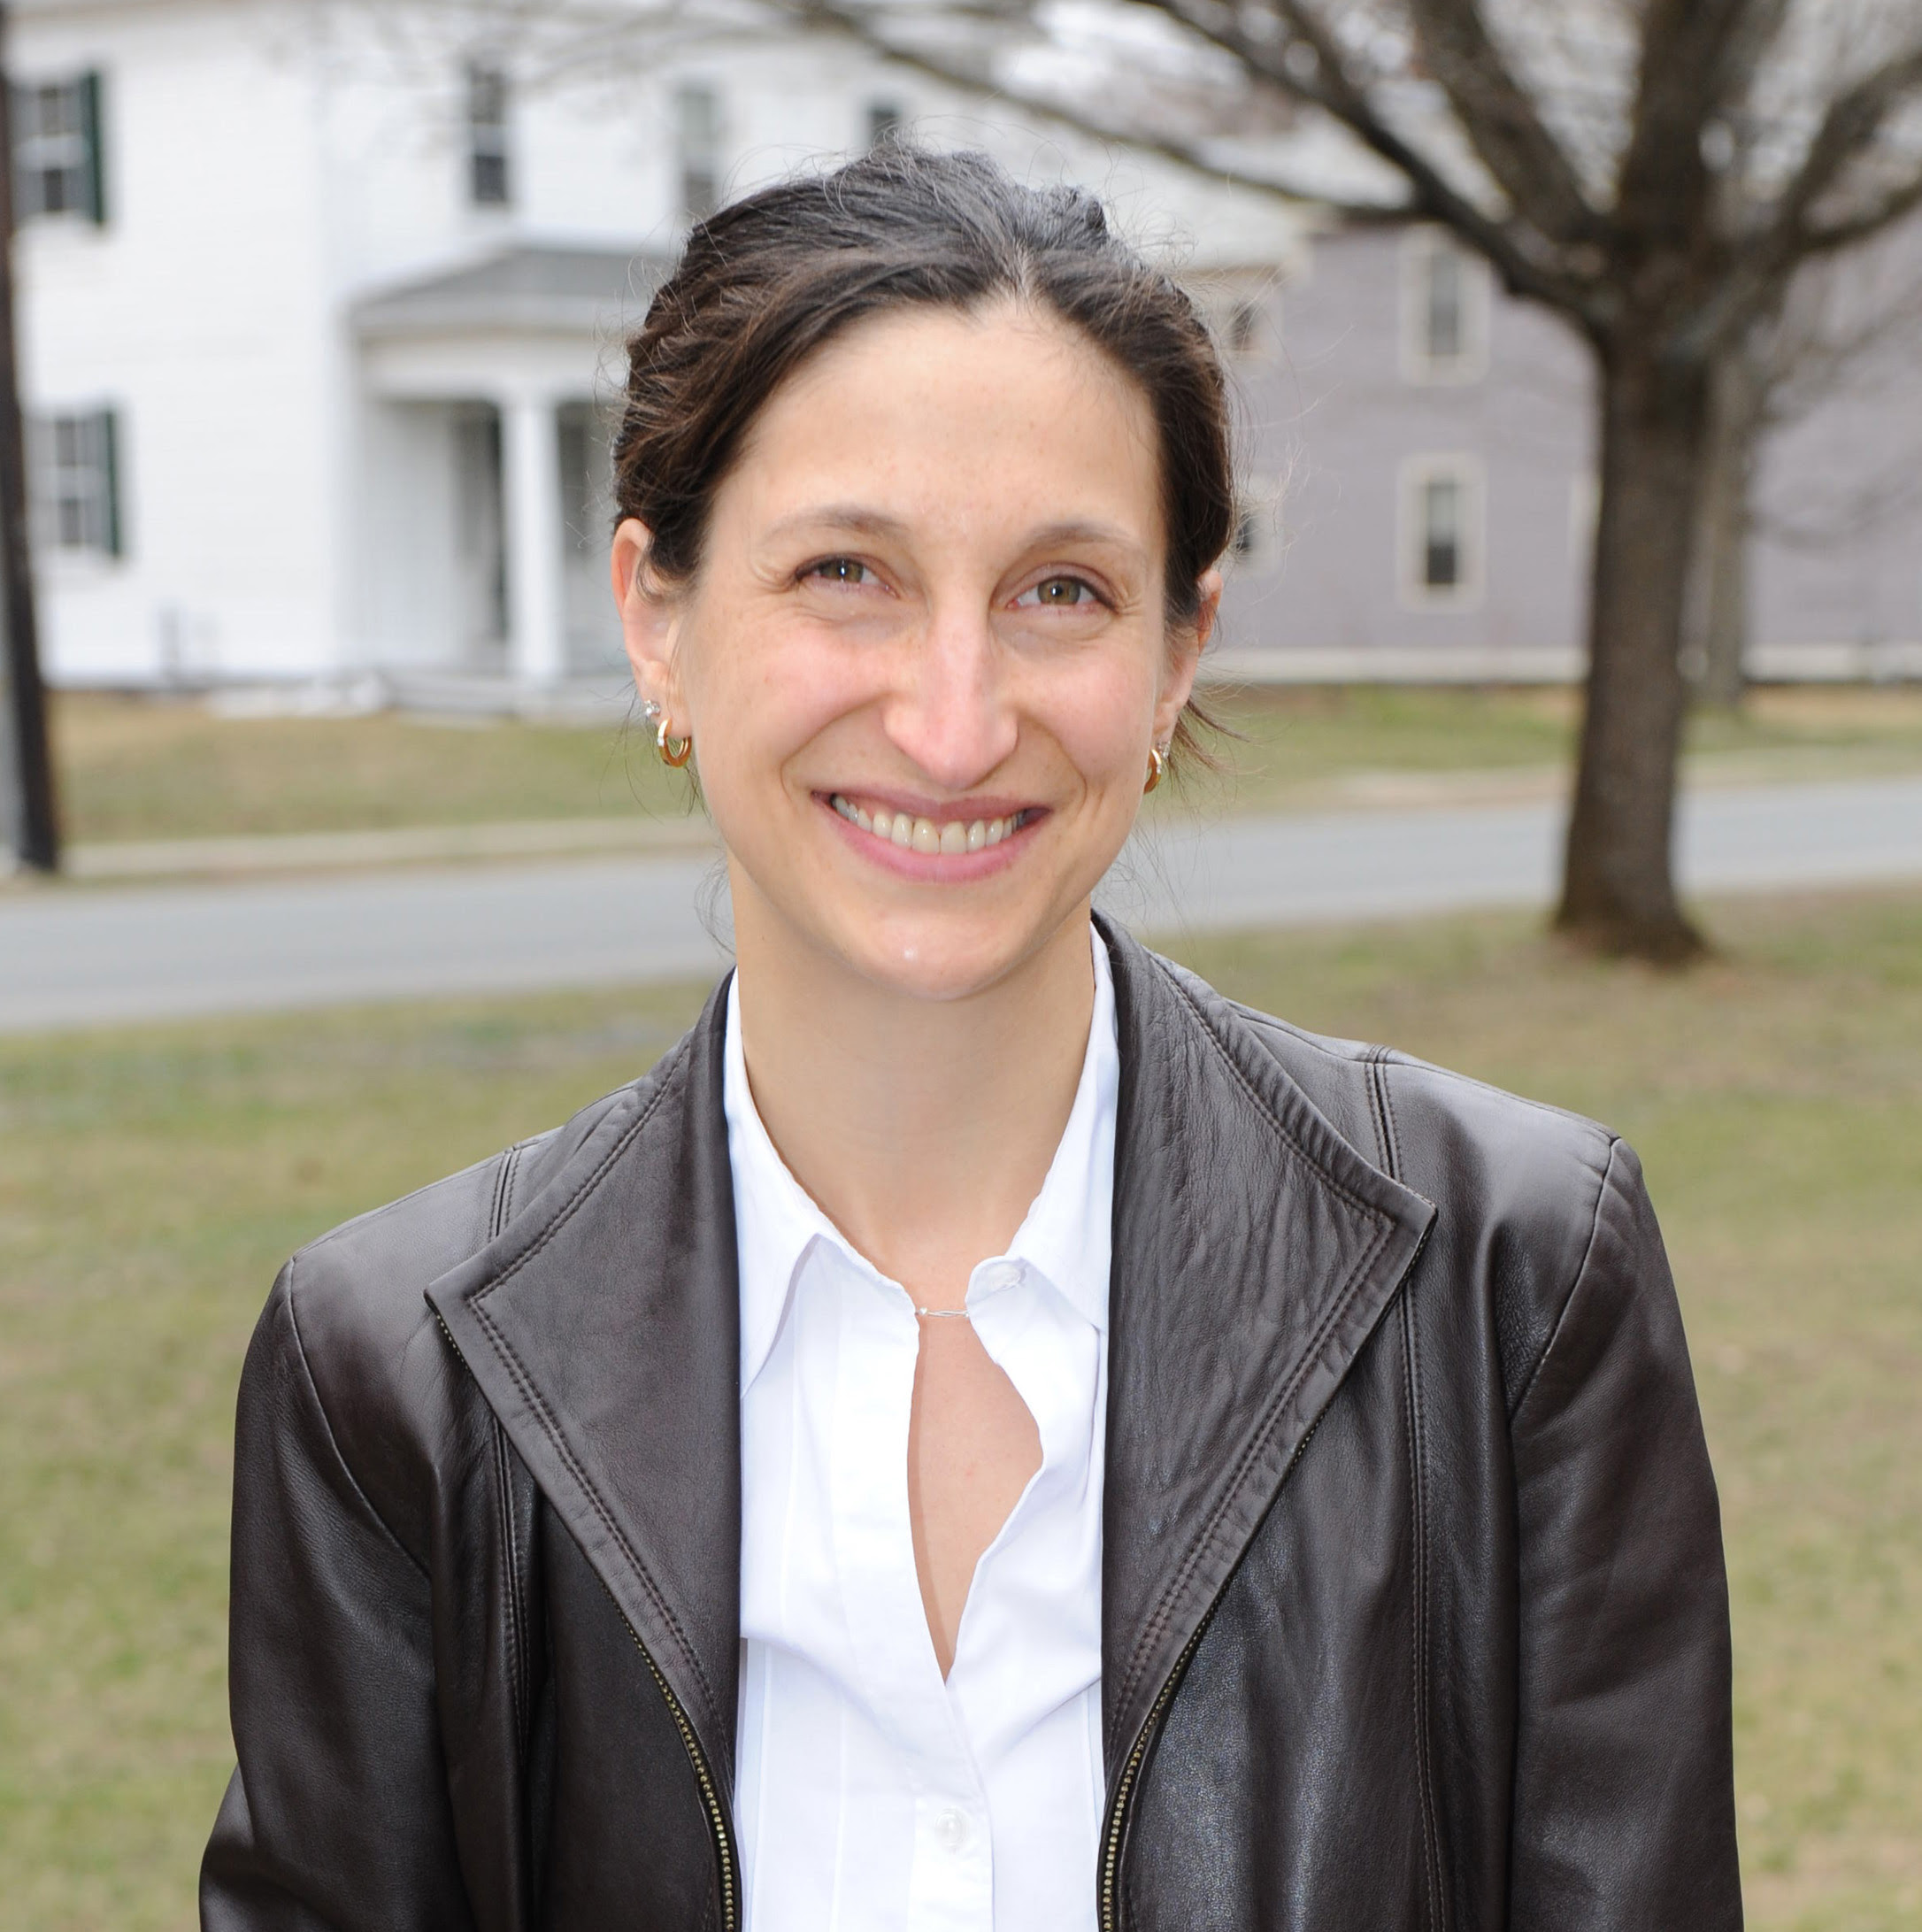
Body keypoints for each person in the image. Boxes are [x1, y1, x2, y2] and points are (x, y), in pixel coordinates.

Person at [201, 146, 1741, 1931]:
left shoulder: (1515, 1282)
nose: (954, 722)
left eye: (1060, 590)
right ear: (657, 620)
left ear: (1178, 654)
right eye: (846, 570)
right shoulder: (393, 1375)